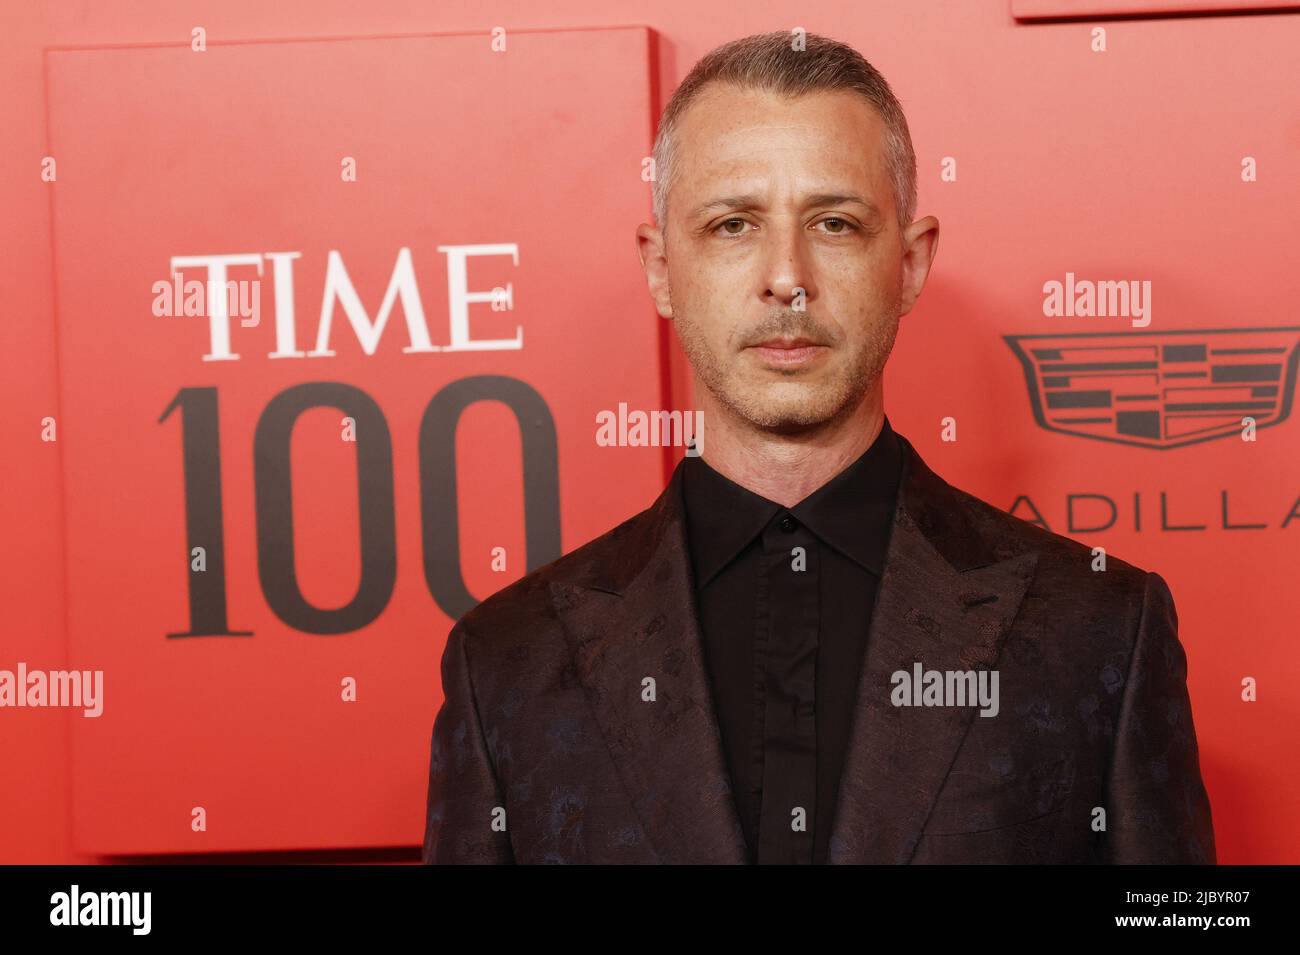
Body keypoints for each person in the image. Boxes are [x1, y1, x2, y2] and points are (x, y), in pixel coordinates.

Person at [421, 30, 1216, 864]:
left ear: (909, 264)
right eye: (733, 224)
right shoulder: (507, 662)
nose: (788, 275)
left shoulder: (1100, 631)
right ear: (660, 267)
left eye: (834, 222)